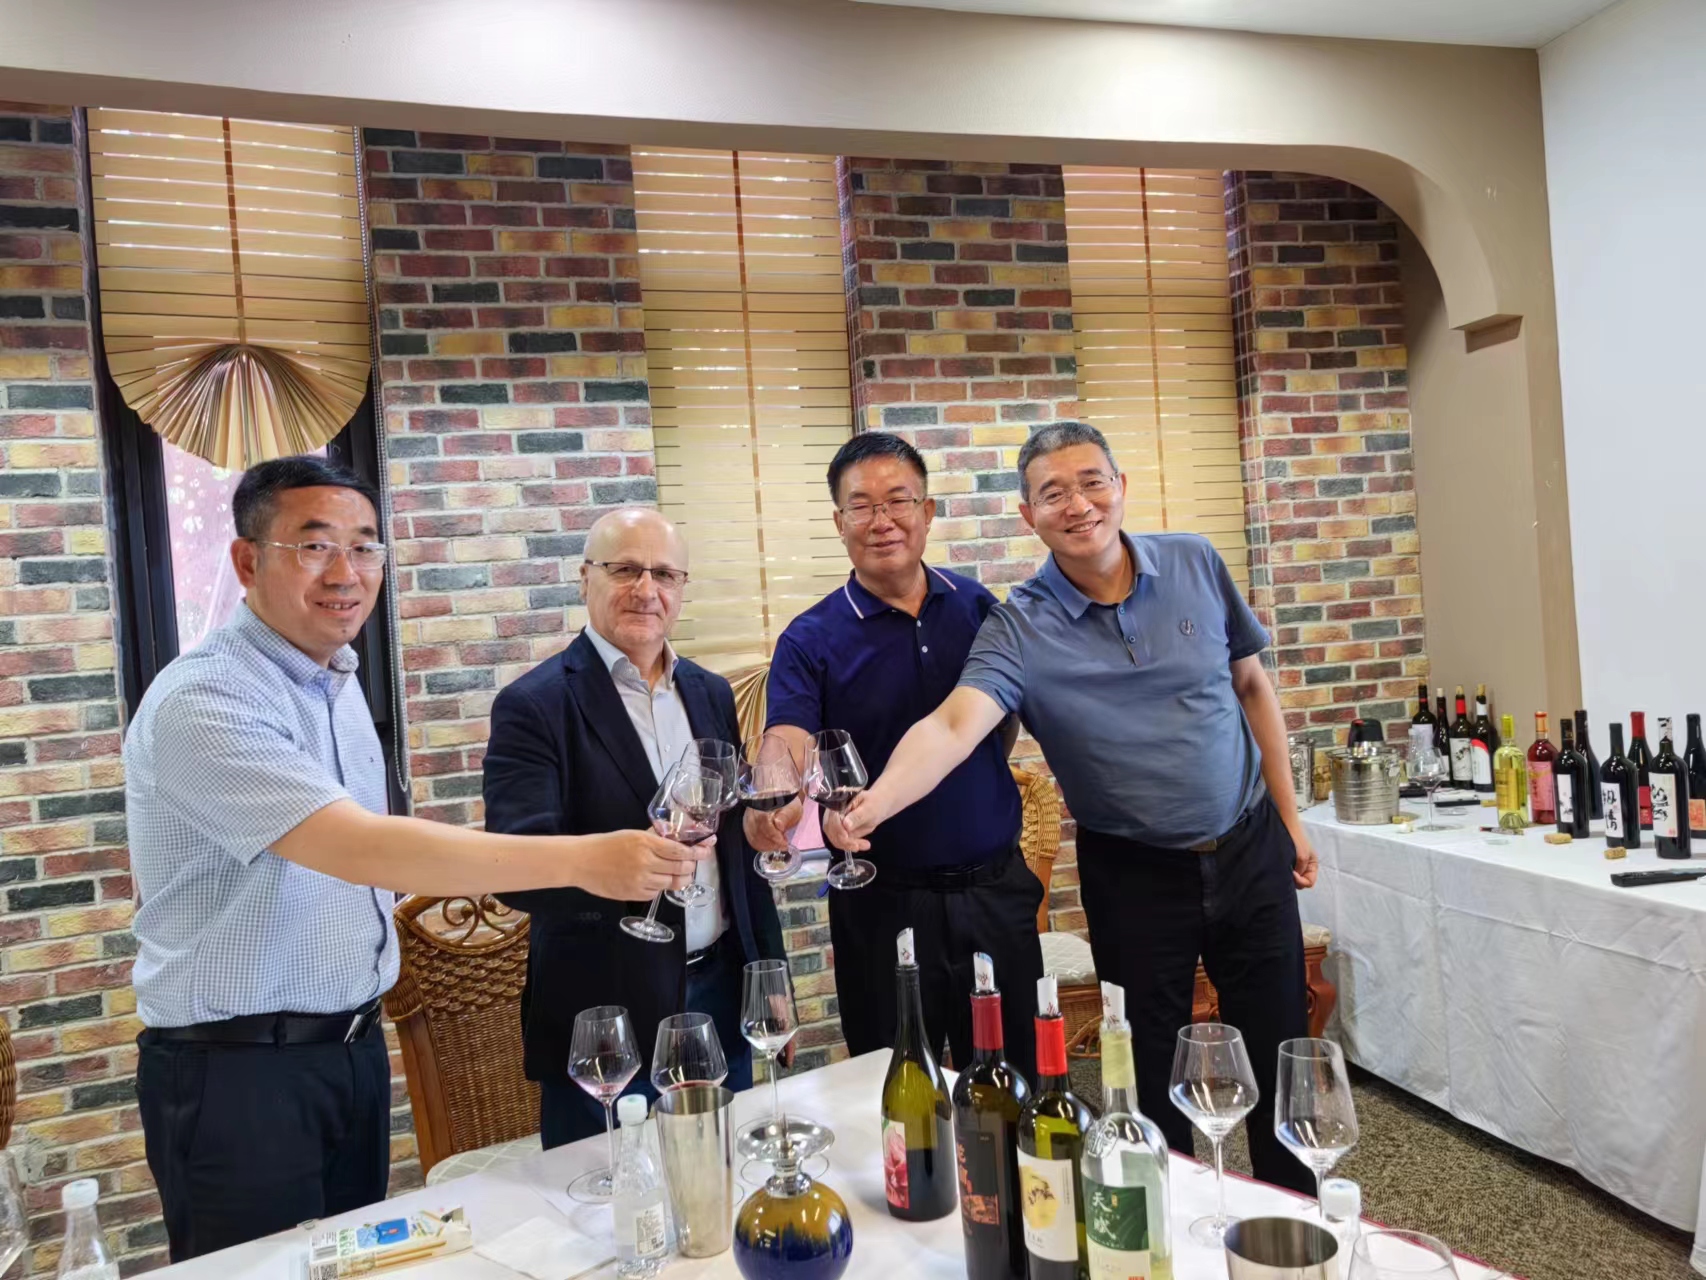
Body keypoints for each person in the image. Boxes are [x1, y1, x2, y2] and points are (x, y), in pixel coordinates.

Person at [125, 457, 705, 1261]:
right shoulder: (207, 697)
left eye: (365, 547)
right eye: (314, 546)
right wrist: (583, 861)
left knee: (354, 1266)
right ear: (246, 561)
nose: (346, 572)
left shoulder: (335, 684)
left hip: (350, 1049)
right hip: (235, 1072)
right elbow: (362, 847)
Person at [834, 421, 1319, 1194]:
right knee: (1146, 1070)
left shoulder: (1195, 560)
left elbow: (1253, 686)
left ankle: (1296, 1224)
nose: (1078, 504)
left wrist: (1290, 820)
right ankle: (1161, 1224)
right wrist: (871, 807)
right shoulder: (1019, 625)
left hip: (1248, 843)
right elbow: (953, 726)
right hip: (1132, 873)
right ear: (1029, 516)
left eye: (1093, 482)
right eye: (1053, 492)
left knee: (1280, 1049)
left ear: (1121, 487)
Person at [484, 507, 788, 1147]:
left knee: (722, 1177)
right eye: (625, 569)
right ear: (585, 579)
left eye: (665, 574)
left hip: (722, 995)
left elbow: (733, 851)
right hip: (607, 1014)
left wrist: (771, 973)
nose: (646, 590)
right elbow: (514, 868)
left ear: (681, 588)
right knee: (608, 1190)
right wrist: (619, 870)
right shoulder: (534, 705)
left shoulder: (709, 692)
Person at [748, 433, 1044, 1074]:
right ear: (839, 522)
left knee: (1015, 1084)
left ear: (927, 511)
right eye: (861, 505)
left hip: (994, 895)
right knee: (896, 1089)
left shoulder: (978, 608)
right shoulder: (810, 637)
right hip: (881, 906)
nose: (881, 520)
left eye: (898, 500)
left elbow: (1001, 726)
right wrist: (775, 793)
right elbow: (789, 734)